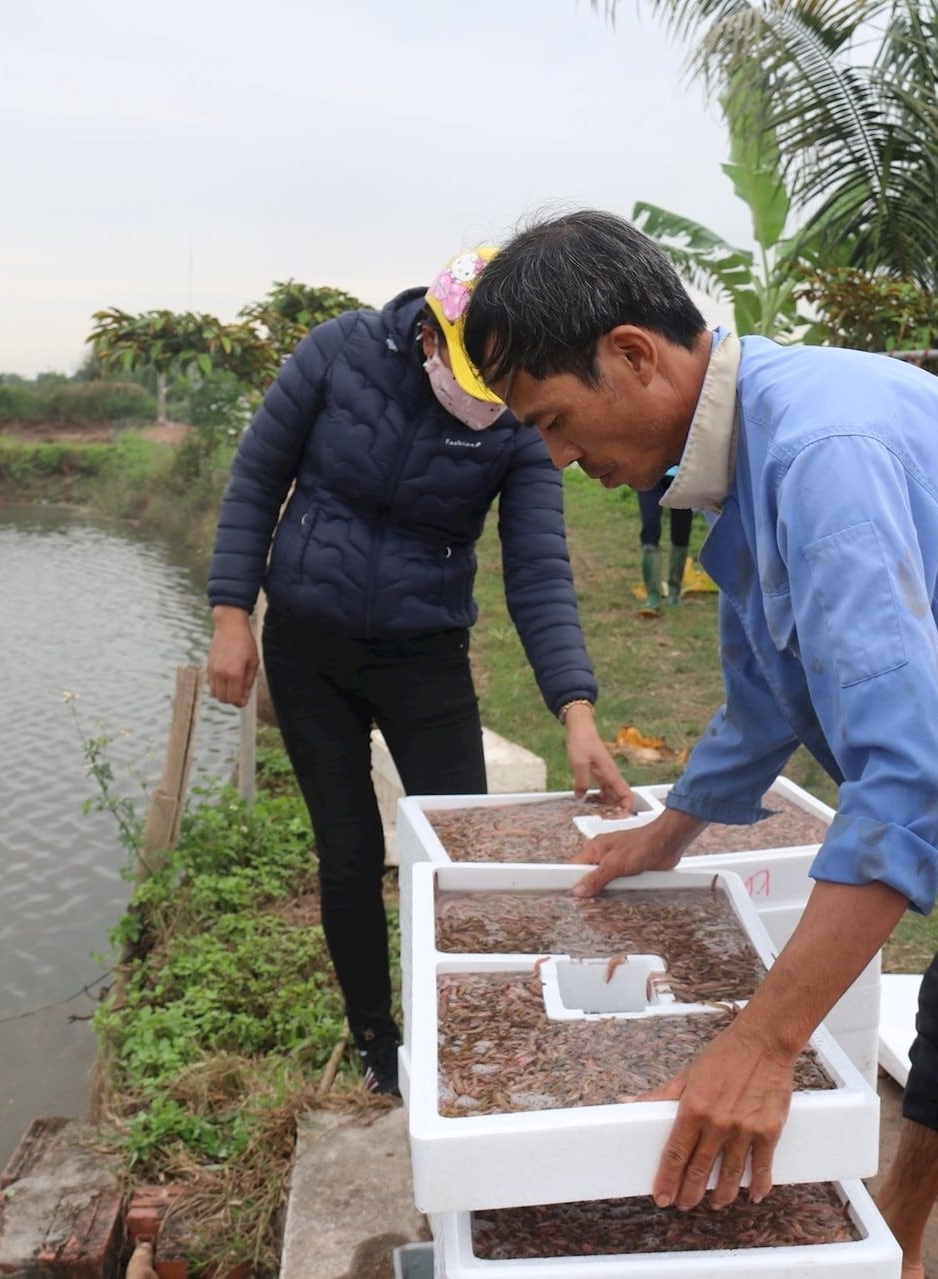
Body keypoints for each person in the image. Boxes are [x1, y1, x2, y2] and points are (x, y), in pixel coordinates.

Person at [462, 211, 938, 1278]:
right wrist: (668, 835)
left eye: (555, 420)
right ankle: (900, 1249)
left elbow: (908, 786)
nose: (556, 455)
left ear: (634, 355)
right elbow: (762, 698)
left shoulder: (824, 455)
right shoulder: (742, 457)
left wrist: (762, 1042)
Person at [204, 246, 635, 1098]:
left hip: (424, 655)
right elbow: (258, 476)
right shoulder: (338, 352)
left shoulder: (519, 420)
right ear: (431, 339)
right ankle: (376, 1040)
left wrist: (576, 707)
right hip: (308, 646)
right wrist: (229, 613)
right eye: (475, 380)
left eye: (501, 389)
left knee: (456, 851)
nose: (488, 403)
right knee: (350, 852)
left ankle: (466, 1024)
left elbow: (538, 568)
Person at [635, 475, 693, 616]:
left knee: (681, 533)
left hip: (683, 474)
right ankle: (653, 596)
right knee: (649, 528)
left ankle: (674, 592)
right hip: (649, 472)